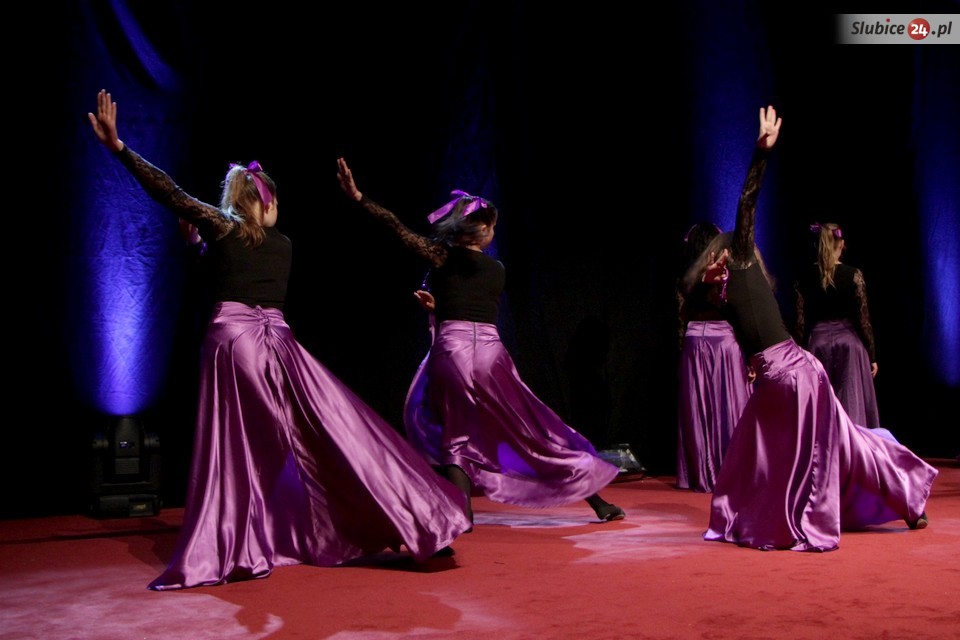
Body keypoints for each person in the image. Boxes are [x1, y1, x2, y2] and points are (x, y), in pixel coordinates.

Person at [88, 90, 472, 590]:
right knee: (336, 430)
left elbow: (173, 196)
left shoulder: (225, 230)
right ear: (264, 202)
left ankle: (241, 538)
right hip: (278, 342)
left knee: (243, 445)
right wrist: (197, 242)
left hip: (237, 342)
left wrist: (120, 150)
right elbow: (232, 263)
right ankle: (413, 516)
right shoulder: (281, 244)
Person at [686, 105, 936, 551]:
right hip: (773, 378)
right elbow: (700, 308)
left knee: (845, 447)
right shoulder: (714, 292)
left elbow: (746, 203)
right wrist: (705, 286)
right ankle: (752, 513)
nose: (719, 259)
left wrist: (761, 154)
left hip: (796, 373)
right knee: (757, 453)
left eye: (722, 253)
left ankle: (907, 493)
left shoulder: (741, 260)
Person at [336, 159, 625, 525]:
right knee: (531, 431)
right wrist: (441, 307)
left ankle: (463, 513)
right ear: (483, 229)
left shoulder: (441, 257)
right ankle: (598, 502)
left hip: (453, 351)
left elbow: (396, 227)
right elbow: (474, 305)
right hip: (490, 355)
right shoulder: (497, 269)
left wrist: (359, 197)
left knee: (454, 433)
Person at [675, 222, 753, 492]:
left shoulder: (686, 276)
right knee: (729, 405)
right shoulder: (724, 274)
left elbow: (681, 317)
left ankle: (699, 471)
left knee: (698, 408)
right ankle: (731, 469)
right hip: (723, 342)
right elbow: (737, 311)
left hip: (694, 341)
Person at [794, 222, 880, 429]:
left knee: (821, 404)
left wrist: (798, 354)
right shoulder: (853, 275)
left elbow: (799, 323)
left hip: (818, 345)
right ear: (841, 244)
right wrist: (872, 355)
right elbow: (864, 319)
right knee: (852, 402)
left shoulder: (803, 278)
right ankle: (852, 445)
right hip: (849, 345)